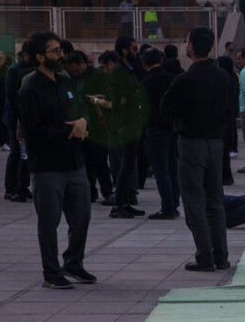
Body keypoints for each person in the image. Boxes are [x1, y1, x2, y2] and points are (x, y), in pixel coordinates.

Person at [19, 31, 95, 289]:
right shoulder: (30, 88)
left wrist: (84, 121)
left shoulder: (65, 81)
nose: (60, 55)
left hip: (74, 161)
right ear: (40, 56)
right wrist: (69, 130)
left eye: (60, 50)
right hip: (48, 165)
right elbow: (33, 131)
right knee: (49, 222)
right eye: (54, 51)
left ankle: (73, 262)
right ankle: (51, 273)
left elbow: (81, 109)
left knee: (82, 215)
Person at [160, 26, 232, 272]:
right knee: (215, 200)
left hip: (191, 143)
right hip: (215, 143)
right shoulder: (223, 76)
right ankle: (221, 254)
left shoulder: (185, 80)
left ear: (190, 47)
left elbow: (165, 107)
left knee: (194, 201)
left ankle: (205, 255)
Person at [107, 38, 148, 219]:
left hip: (134, 120)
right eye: (133, 49)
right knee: (126, 163)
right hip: (125, 122)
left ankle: (125, 200)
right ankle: (118, 204)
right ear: (124, 51)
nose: (136, 52)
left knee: (130, 163)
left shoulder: (131, 68)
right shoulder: (119, 72)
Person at [65, 52, 112, 206]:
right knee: (85, 161)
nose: (76, 74)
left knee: (100, 160)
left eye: (77, 70)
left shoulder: (98, 76)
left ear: (82, 63)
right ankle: (90, 191)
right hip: (80, 123)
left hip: (97, 124)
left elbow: (107, 97)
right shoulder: (72, 80)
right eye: (73, 72)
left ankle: (107, 191)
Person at [140, 48, 180, 219]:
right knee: (172, 168)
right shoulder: (172, 79)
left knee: (160, 170)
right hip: (172, 127)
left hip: (155, 129)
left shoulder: (145, 82)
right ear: (161, 60)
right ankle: (174, 201)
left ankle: (168, 206)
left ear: (144, 63)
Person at [3, 48, 35, 202]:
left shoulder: (32, 69)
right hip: (15, 119)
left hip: (26, 118)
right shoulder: (14, 70)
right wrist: (19, 117)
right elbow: (11, 96)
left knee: (26, 154)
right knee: (17, 152)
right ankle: (11, 188)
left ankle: (23, 185)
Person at [214, 55, 238, 186]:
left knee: (222, 150)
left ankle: (225, 175)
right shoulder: (233, 77)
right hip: (230, 116)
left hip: (224, 117)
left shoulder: (224, 79)